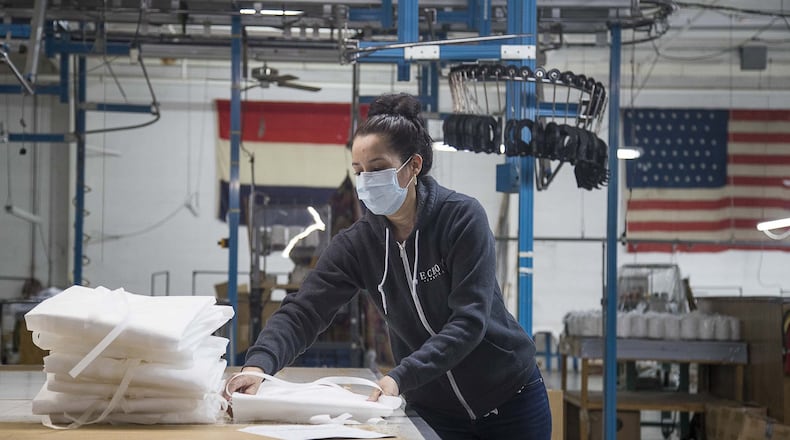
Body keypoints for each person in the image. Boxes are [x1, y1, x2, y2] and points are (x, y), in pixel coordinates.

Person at [225, 93, 552, 439]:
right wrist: (258, 365)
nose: (367, 180)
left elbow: (470, 321)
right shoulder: (358, 244)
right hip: (436, 412)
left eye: (378, 168)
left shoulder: (460, 219)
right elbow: (304, 311)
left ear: (414, 165)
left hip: (510, 399)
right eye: (359, 171)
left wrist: (401, 376)